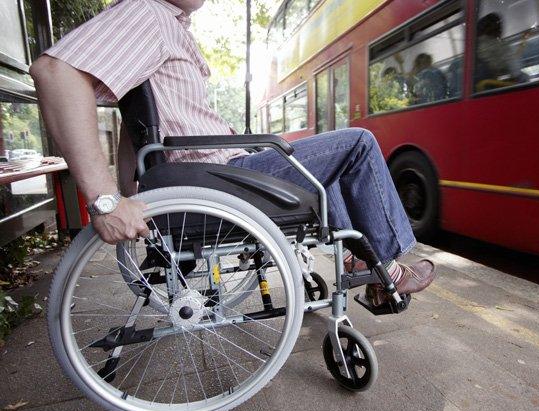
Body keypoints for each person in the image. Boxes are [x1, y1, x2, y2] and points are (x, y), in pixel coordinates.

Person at [29, 0, 435, 306]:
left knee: (324, 165)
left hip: (212, 175)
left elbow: (135, 134)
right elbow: (55, 71)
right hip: (218, 179)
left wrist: (136, 195)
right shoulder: (148, 15)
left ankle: (364, 261)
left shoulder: (163, 24)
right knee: (358, 144)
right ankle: (389, 268)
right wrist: (106, 201)